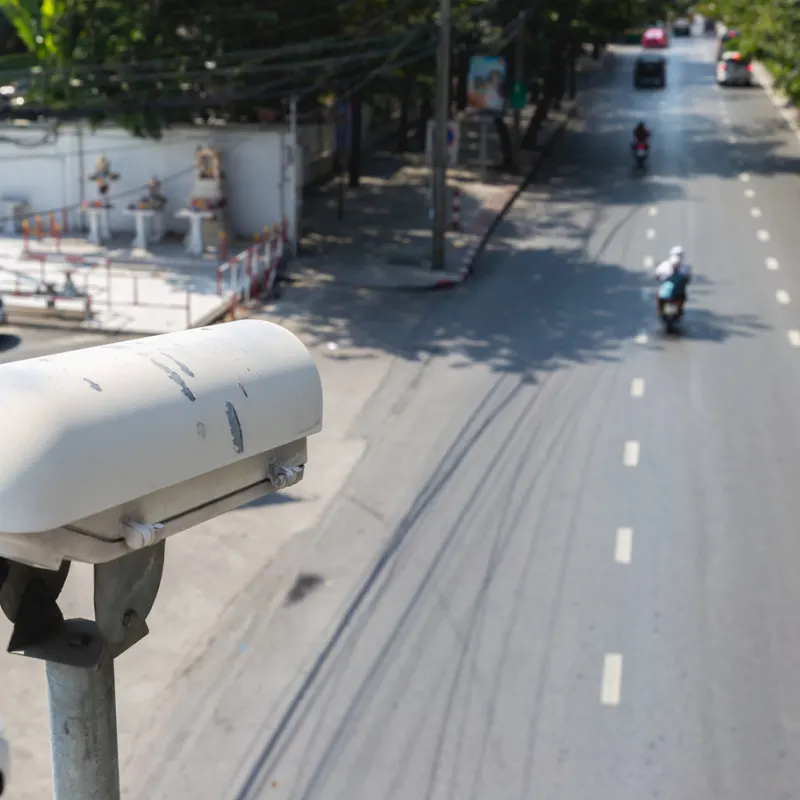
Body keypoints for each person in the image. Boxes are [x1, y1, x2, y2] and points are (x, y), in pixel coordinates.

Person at [654, 245, 692, 314]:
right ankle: (661, 310)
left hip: (677, 292)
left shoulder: (665, 264)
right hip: (675, 292)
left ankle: (660, 310)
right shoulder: (685, 266)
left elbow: (657, 274)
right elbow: (688, 278)